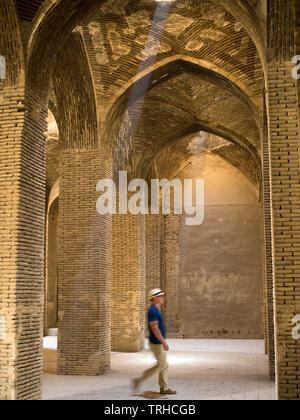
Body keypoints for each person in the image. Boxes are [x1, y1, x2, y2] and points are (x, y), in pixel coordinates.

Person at [132, 288, 176, 395]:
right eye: (160, 296)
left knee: (163, 365)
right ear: (155, 298)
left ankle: (164, 388)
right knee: (161, 365)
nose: (162, 298)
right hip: (157, 343)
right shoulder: (153, 311)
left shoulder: (156, 309)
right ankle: (138, 380)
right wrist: (163, 342)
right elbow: (155, 328)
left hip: (158, 342)